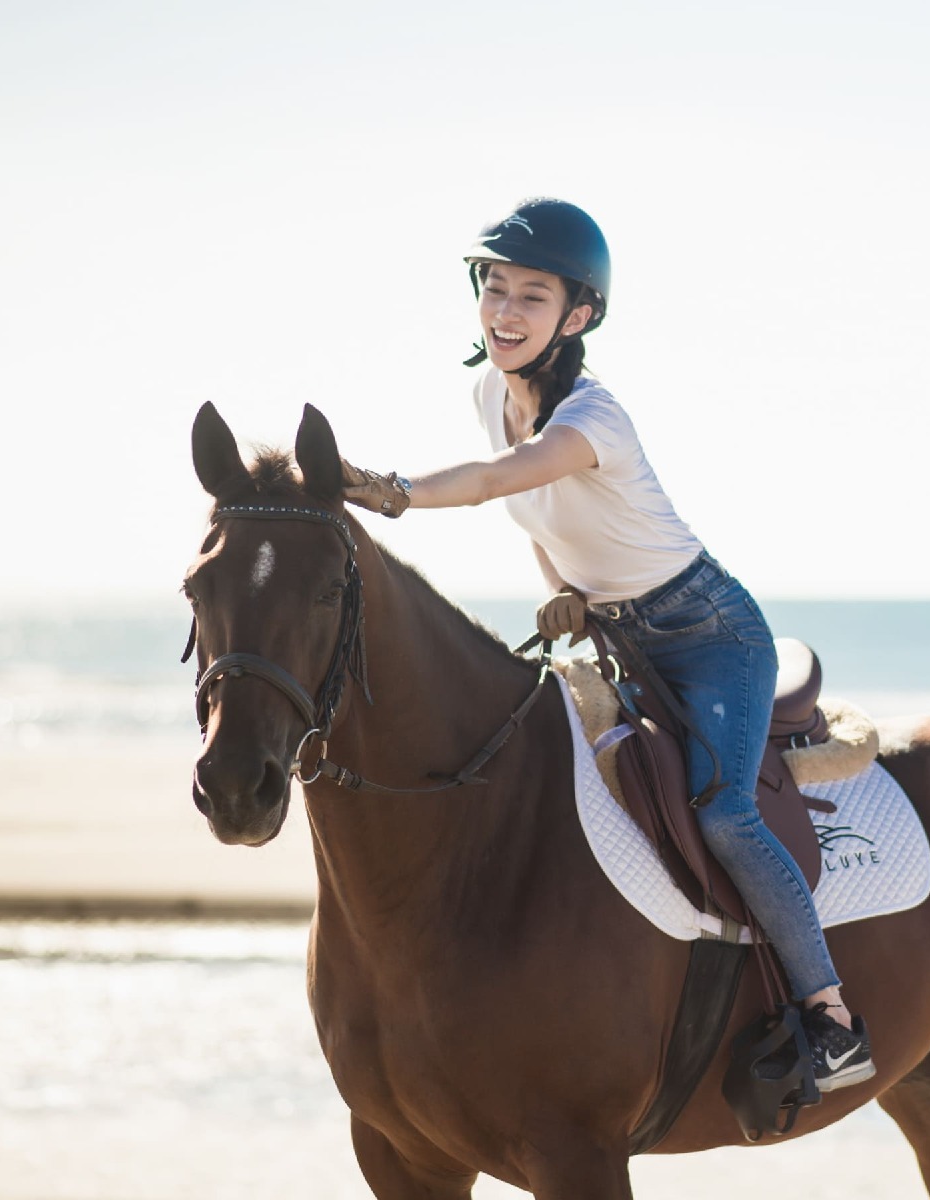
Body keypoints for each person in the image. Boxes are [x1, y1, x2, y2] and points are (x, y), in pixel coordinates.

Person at [337, 197, 873, 1091]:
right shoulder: (487, 393)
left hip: (709, 635)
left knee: (724, 813)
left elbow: (497, 480)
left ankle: (833, 1019)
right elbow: (536, 514)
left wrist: (384, 489)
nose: (505, 314)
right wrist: (565, 596)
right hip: (619, 632)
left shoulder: (596, 417)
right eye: (494, 290)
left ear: (578, 315)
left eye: (532, 298)